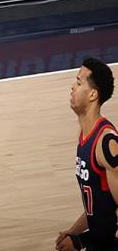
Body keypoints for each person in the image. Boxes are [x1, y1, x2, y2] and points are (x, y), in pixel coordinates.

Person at [55, 58, 117, 251]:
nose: (72, 87)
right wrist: (73, 232)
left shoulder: (106, 144)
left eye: (79, 82)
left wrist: (80, 241)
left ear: (92, 94)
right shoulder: (84, 134)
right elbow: (99, 207)